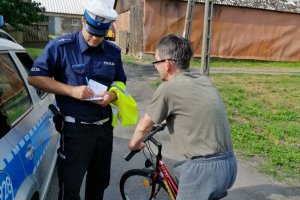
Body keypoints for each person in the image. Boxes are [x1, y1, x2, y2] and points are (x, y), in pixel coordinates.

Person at [27, 0, 126, 199]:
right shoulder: (61, 47)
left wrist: (112, 95)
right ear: (83, 21)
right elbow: (35, 77)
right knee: (71, 187)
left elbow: (120, 83)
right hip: (75, 132)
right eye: (92, 32)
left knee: (99, 184)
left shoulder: (113, 52)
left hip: (104, 130)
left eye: (101, 34)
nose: (96, 38)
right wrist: (71, 90)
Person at [128, 34, 237, 200]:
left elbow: (144, 126)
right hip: (229, 164)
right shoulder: (203, 80)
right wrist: (167, 119)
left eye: (156, 61)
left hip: (203, 171)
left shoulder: (168, 88)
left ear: (166, 64)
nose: (155, 67)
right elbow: (192, 108)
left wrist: (134, 144)